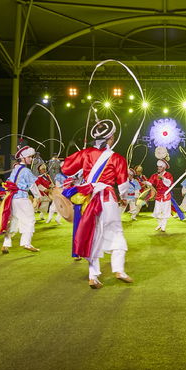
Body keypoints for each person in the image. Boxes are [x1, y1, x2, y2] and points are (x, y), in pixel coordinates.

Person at [61, 119, 132, 289]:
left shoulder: (85, 154)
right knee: (116, 232)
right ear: (110, 138)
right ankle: (119, 269)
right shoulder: (117, 158)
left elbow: (65, 168)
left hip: (89, 198)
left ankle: (93, 276)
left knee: (93, 235)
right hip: (107, 199)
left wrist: (83, 171)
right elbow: (123, 186)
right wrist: (124, 198)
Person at [0, 146, 42, 254]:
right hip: (22, 198)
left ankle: (6, 244)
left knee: (14, 221)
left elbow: (9, 182)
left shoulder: (15, 169)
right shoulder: (26, 170)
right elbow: (32, 185)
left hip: (13, 199)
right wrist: (37, 197)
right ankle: (26, 242)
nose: (31, 159)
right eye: (30, 157)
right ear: (23, 158)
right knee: (30, 220)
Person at [148, 159, 175, 232]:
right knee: (157, 212)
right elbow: (150, 183)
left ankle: (163, 226)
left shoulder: (168, 175)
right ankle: (160, 224)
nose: (158, 168)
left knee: (165, 212)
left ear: (163, 167)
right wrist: (145, 182)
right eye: (158, 167)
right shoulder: (155, 175)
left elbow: (169, 184)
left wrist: (163, 178)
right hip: (158, 196)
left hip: (166, 195)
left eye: (160, 167)